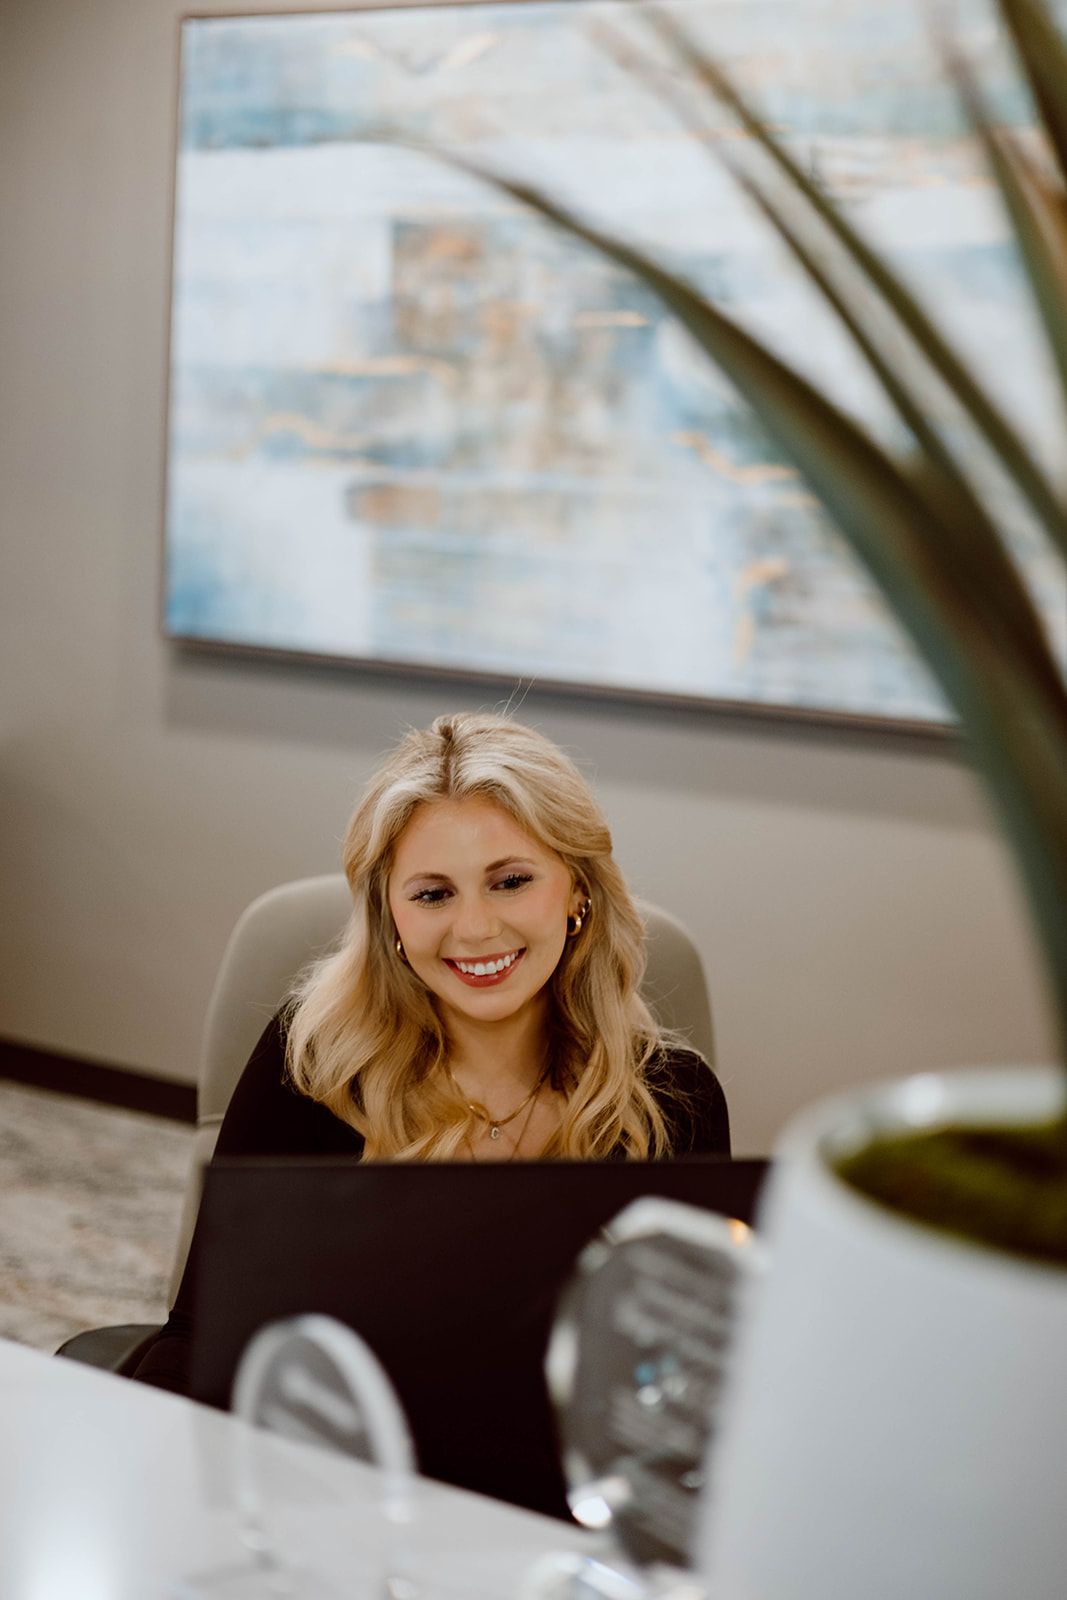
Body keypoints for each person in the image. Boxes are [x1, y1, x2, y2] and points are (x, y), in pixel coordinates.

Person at [133, 712, 729, 1397]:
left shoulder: (673, 1101)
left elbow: (678, 1382)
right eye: (433, 894)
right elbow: (204, 1333)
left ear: (577, 891)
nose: (474, 928)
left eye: (510, 881)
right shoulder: (317, 1067)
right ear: (390, 916)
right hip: (339, 1465)